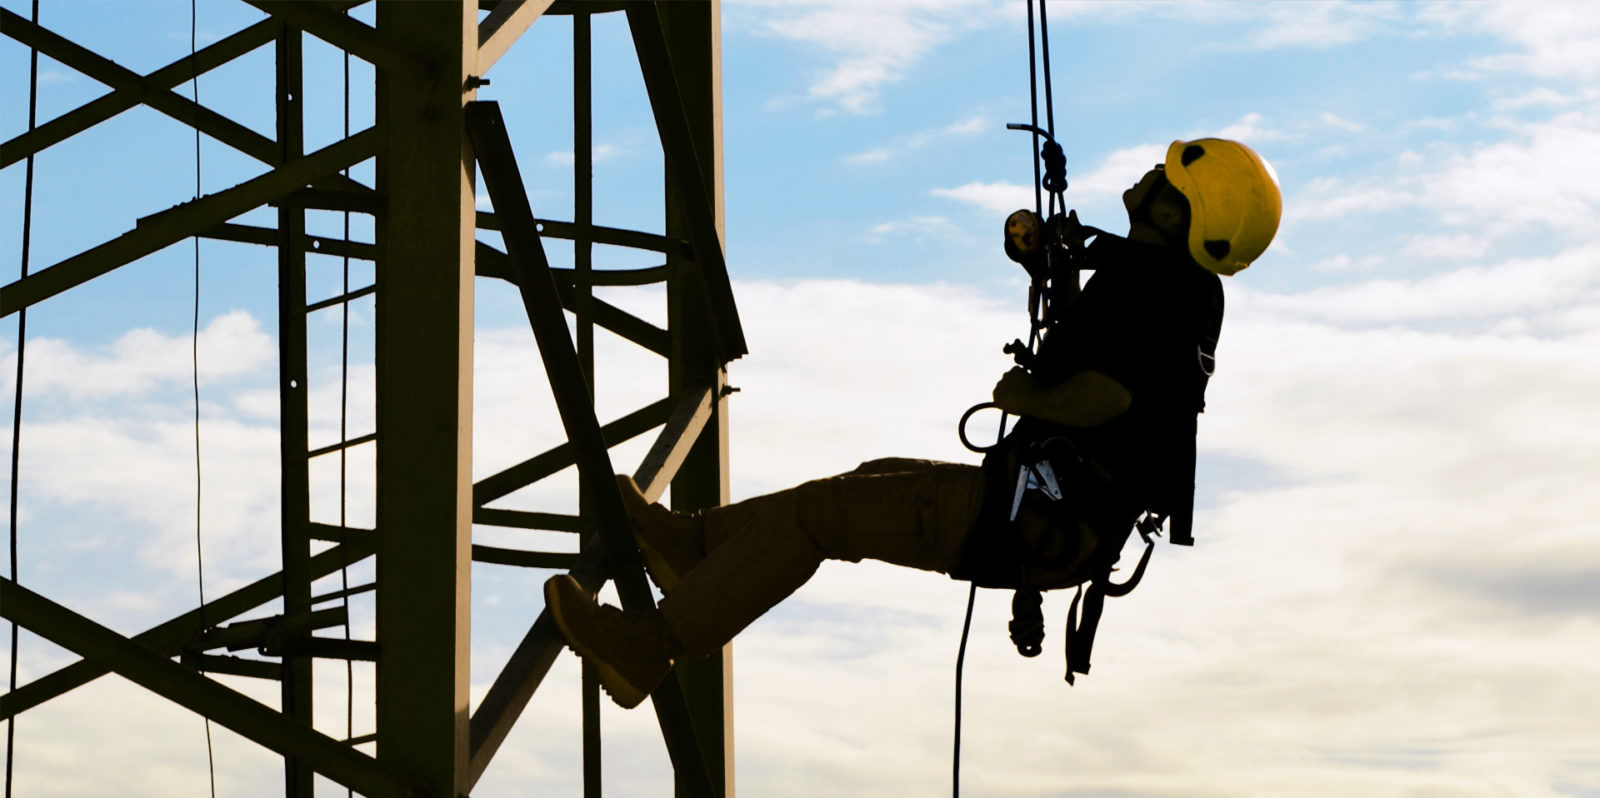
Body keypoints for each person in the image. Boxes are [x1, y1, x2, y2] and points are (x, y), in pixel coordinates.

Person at [544, 137, 1283, 709]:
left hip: (1043, 516)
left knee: (823, 517)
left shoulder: (1157, 290)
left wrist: (1029, 399)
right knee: (867, 485)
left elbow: (1110, 398)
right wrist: (1049, 265)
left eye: (1168, 179)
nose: (1152, 175)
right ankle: (692, 546)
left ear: (1175, 214)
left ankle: (651, 647)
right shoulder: (1171, 288)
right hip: (1052, 510)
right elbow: (1120, 365)